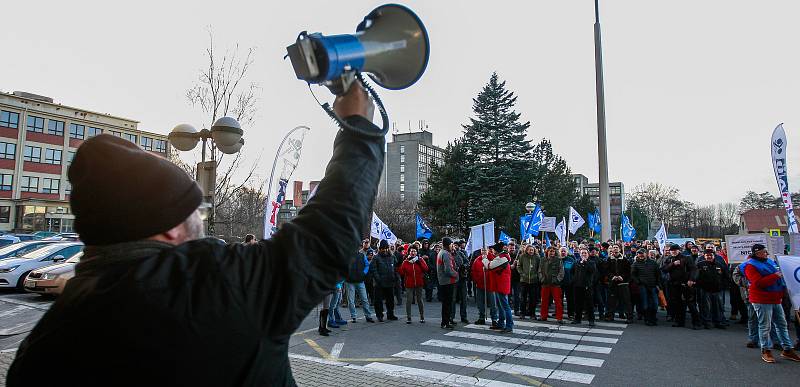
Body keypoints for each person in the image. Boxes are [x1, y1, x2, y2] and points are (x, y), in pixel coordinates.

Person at [7, 82, 382, 386]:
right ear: (171, 226)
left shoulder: (41, 349)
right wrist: (358, 127)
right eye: (195, 211)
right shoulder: (211, 286)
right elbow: (328, 235)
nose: (200, 222)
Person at [741, 244, 800, 363]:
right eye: (764, 252)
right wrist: (775, 276)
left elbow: (780, 276)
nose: (766, 253)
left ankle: (787, 349)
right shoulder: (750, 266)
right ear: (757, 253)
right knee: (765, 326)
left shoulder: (770, 262)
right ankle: (766, 350)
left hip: (775, 298)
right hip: (761, 300)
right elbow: (758, 283)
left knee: (782, 325)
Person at [662, 244, 701, 329]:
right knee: (677, 304)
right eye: (672, 250)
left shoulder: (686, 258)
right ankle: (679, 321)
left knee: (690, 304)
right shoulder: (669, 259)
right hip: (674, 285)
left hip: (685, 284)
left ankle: (697, 323)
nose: (673, 252)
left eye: (675, 250)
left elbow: (694, 269)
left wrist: (691, 279)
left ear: (679, 250)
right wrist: (673, 264)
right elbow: (664, 269)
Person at [696, 249, 727, 329]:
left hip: (718, 290)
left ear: (714, 256)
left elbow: (726, 276)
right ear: (704, 256)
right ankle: (707, 322)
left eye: (711, 255)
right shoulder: (700, 264)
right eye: (707, 255)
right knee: (706, 307)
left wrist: (723, 286)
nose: (709, 257)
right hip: (705, 290)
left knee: (718, 307)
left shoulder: (719, 264)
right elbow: (695, 276)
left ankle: (718, 322)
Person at [346, 241, 376, 323]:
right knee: (351, 300)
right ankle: (353, 316)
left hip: (360, 280)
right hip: (350, 281)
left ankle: (368, 316)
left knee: (365, 299)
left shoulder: (362, 255)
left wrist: (364, 273)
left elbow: (367, 265)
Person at [370, 240, 399, 322]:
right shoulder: (376, 257)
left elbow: (395, 268)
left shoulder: (392, 257)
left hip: (390, 281)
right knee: (378, 301)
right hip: (379, 283)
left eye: (386, 248)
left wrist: (396, 276)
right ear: (380, 249)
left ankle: (390, 314)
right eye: (383, 248)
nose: (385, 250)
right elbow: (373, 269)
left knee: (390, 300)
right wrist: (378, 279)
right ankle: (379, 315)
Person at [398, 245, 428, 324]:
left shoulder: (420, 259)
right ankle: (409, 317)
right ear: (409, 252)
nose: (413, 253)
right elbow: (401, 272)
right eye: (411, 251)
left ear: (417, 252)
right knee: (409, 300)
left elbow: (426, 269)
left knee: (419, 300)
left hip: (419, 282)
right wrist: (401, 264)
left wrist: (420, 263)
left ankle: (422, 316)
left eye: (414, 251)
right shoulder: (406, 261)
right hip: (409, 283)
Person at [489, 242, 514, 333]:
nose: (493, 251)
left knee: (505, 306)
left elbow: (490, 265)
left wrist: (484, 258)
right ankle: (501, 323)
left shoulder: (502, 258)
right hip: (500, 284)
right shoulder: (503, 257)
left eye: (494, 250)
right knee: (501, 306)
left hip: (501, 285)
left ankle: (509, 325)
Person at [631, 249, 660, 326]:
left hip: (653, 286)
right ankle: (647, 319)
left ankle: (653, 318)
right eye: (639, 253)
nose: (641, 255)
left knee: (655, 303)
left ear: (646, 254)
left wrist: (658, 284)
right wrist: (638, 282)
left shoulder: (653, 263)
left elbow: (658, 274)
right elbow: (633, 275)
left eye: (642, 253)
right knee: (645, 304)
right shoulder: (635, 264)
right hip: (643, 286)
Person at [606, 245, 633, 323]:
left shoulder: (625, 260)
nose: (615, 249)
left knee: (626, 301)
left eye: (616, 247)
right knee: (611, 300)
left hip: (623, 283)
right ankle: (610, 316)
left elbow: (628, 271)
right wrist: (612, 276)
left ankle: (629, 317)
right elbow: (606, 271)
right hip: (613, 283)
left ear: (620, 249)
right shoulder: (609, 259)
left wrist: (622, 277)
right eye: (613, 247)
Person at [570, 248, 596, 326]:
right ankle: (577, 319)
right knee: (578, 303)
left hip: (587, 286)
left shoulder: (591, 262)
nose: (583, 254)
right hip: (577, 286)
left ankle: (591, 320)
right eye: (582, 253)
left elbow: (592, 271)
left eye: (585, 253)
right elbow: (572, 271)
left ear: (588, 254)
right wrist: (574, 280)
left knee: (589, 304)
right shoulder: (576, 262)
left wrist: (585, 263)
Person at [437, 237, 459, 329]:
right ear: (448, 244)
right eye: (451, 244)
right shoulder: (446, 254)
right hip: (447, 281)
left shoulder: (441, 252)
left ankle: (445, 321)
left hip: (443, 281)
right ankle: (445, 322)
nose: (452, 246)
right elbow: (448, 270)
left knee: (446, 303)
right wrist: (456, 274)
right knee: (447, 303)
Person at [539, 247, 565, 323]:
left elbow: (561, 271)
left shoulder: (558, 260)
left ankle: (559, 317)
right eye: (550, 251)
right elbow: (539, 270)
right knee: (544, 300)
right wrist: (542, 279)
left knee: (558, 301)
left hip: (555, 284)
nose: (552, 253)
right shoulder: (542, 260)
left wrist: (557, 280)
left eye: (553, 251)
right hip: (545, 283)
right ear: (547, 252)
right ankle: (543, 316)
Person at [517, 244, 541, 320]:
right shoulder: (522, 256)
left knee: (533, 298)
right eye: (529, 250)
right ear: (526, 250)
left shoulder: (537, 257)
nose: (531, 251)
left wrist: (537, 275)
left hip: (534, 281)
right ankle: (522, 313)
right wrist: (522, 273)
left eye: (532, 250)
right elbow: (519, 266)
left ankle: (532, 313)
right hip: (524, 280)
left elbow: (540, 267)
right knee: (523, 298)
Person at [451, 240, 470, 324]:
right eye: (453, 245)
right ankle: (451, 317)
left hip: (462, 278)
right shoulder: (448, 254)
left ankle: (464, 316)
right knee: (453, 299)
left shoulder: (461, 253)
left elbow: (467, 262)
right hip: (453, 279)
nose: (455, 247)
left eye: (456, 246)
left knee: (463, 299)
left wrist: (464, 266)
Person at [471, 247, 491, 325]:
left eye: (485, 250)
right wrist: (476, 280)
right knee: (480, 303)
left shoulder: (492, 258)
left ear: (488, 250)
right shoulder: (477, 260)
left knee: (492, 303)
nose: (484, 251)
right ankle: (481, 317)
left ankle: (494, 319)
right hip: (480, 284)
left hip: (490, 285)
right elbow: (473, 272)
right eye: (482, 250)